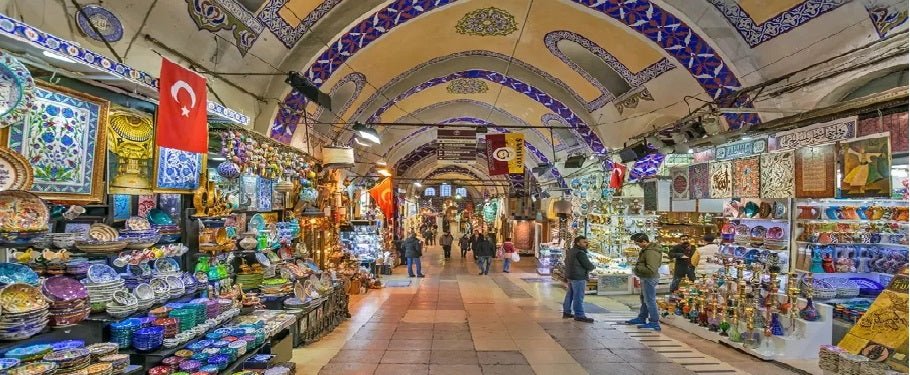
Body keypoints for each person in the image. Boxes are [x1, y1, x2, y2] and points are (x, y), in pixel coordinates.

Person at [626, 233, 663, 331]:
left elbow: (652, 269)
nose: (637, 245)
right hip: (646, 278)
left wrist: (638, 268)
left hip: (649, 278)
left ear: (644, 241)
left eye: (637, 243)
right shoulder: (646, 250)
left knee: (650, 300)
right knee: (644, 299)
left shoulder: (651, 252)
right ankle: (642, 317)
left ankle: (654, 322)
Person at [562, 236, 596, 323]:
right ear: (578, 243)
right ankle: (579, 315)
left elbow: (566, 262)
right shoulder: (580, 253)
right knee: (578, 296)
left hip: (571, 276)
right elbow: (588, 265)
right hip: (578, 277)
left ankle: (566, 312)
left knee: (570, 294)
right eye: (584, 242)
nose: (586, 243)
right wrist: (593, 267)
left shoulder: (571, 251)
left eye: (586, 242)